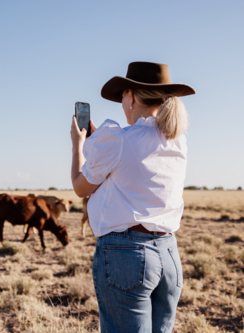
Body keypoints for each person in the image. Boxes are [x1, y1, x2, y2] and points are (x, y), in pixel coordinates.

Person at [70, 61, 195, 333]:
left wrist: (78, 146)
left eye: (123, 96)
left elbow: (81, 187)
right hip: (169, 254)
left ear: (132, 96)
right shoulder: (178, 141)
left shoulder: (118, 139)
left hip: (126, 254)